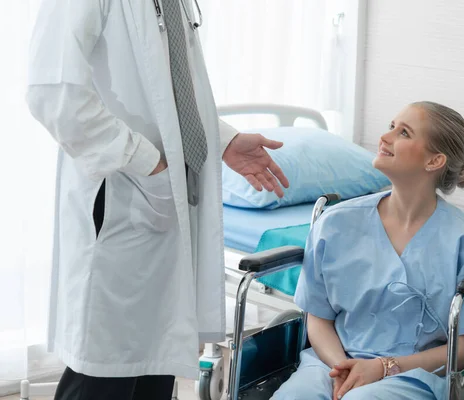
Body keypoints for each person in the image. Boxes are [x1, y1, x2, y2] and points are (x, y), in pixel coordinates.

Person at [25, 1, 289, 399]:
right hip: (121, 198)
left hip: (163, 201)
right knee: (106, 372)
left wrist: (223, 139)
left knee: (154, 368)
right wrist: (150, 166)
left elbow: (169, 92)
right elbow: (54, 93)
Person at [272, 101, 464, 400]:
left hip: (414, 376)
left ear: (434, 161)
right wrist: (344, 368)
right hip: (329, 364)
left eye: (403, 132)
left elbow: (462, 352)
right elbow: (319, 318)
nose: (386, 137)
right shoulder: (335, 223)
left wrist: (382, 368)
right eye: (391, 126)